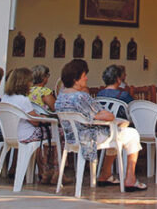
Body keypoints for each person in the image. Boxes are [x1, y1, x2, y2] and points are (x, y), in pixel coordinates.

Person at [54, 59, 146, 191]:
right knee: (132, 134)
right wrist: (100, 115)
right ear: (76, 79)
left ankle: (106, 174)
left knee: (117, 133)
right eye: (84, 75)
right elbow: (108, 116)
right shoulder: (81, 97)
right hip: (90, 138)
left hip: (73, 138)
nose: (86, 78)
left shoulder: (61, 98)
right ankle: (130, 178)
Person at [4, 67, 57, 183]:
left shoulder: (5, 98)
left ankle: (41, 171)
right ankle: (53, 171)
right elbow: (35, 122)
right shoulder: (23, 100)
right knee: (59, 134)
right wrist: (42, 117)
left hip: (10, 135)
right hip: (26, 135)